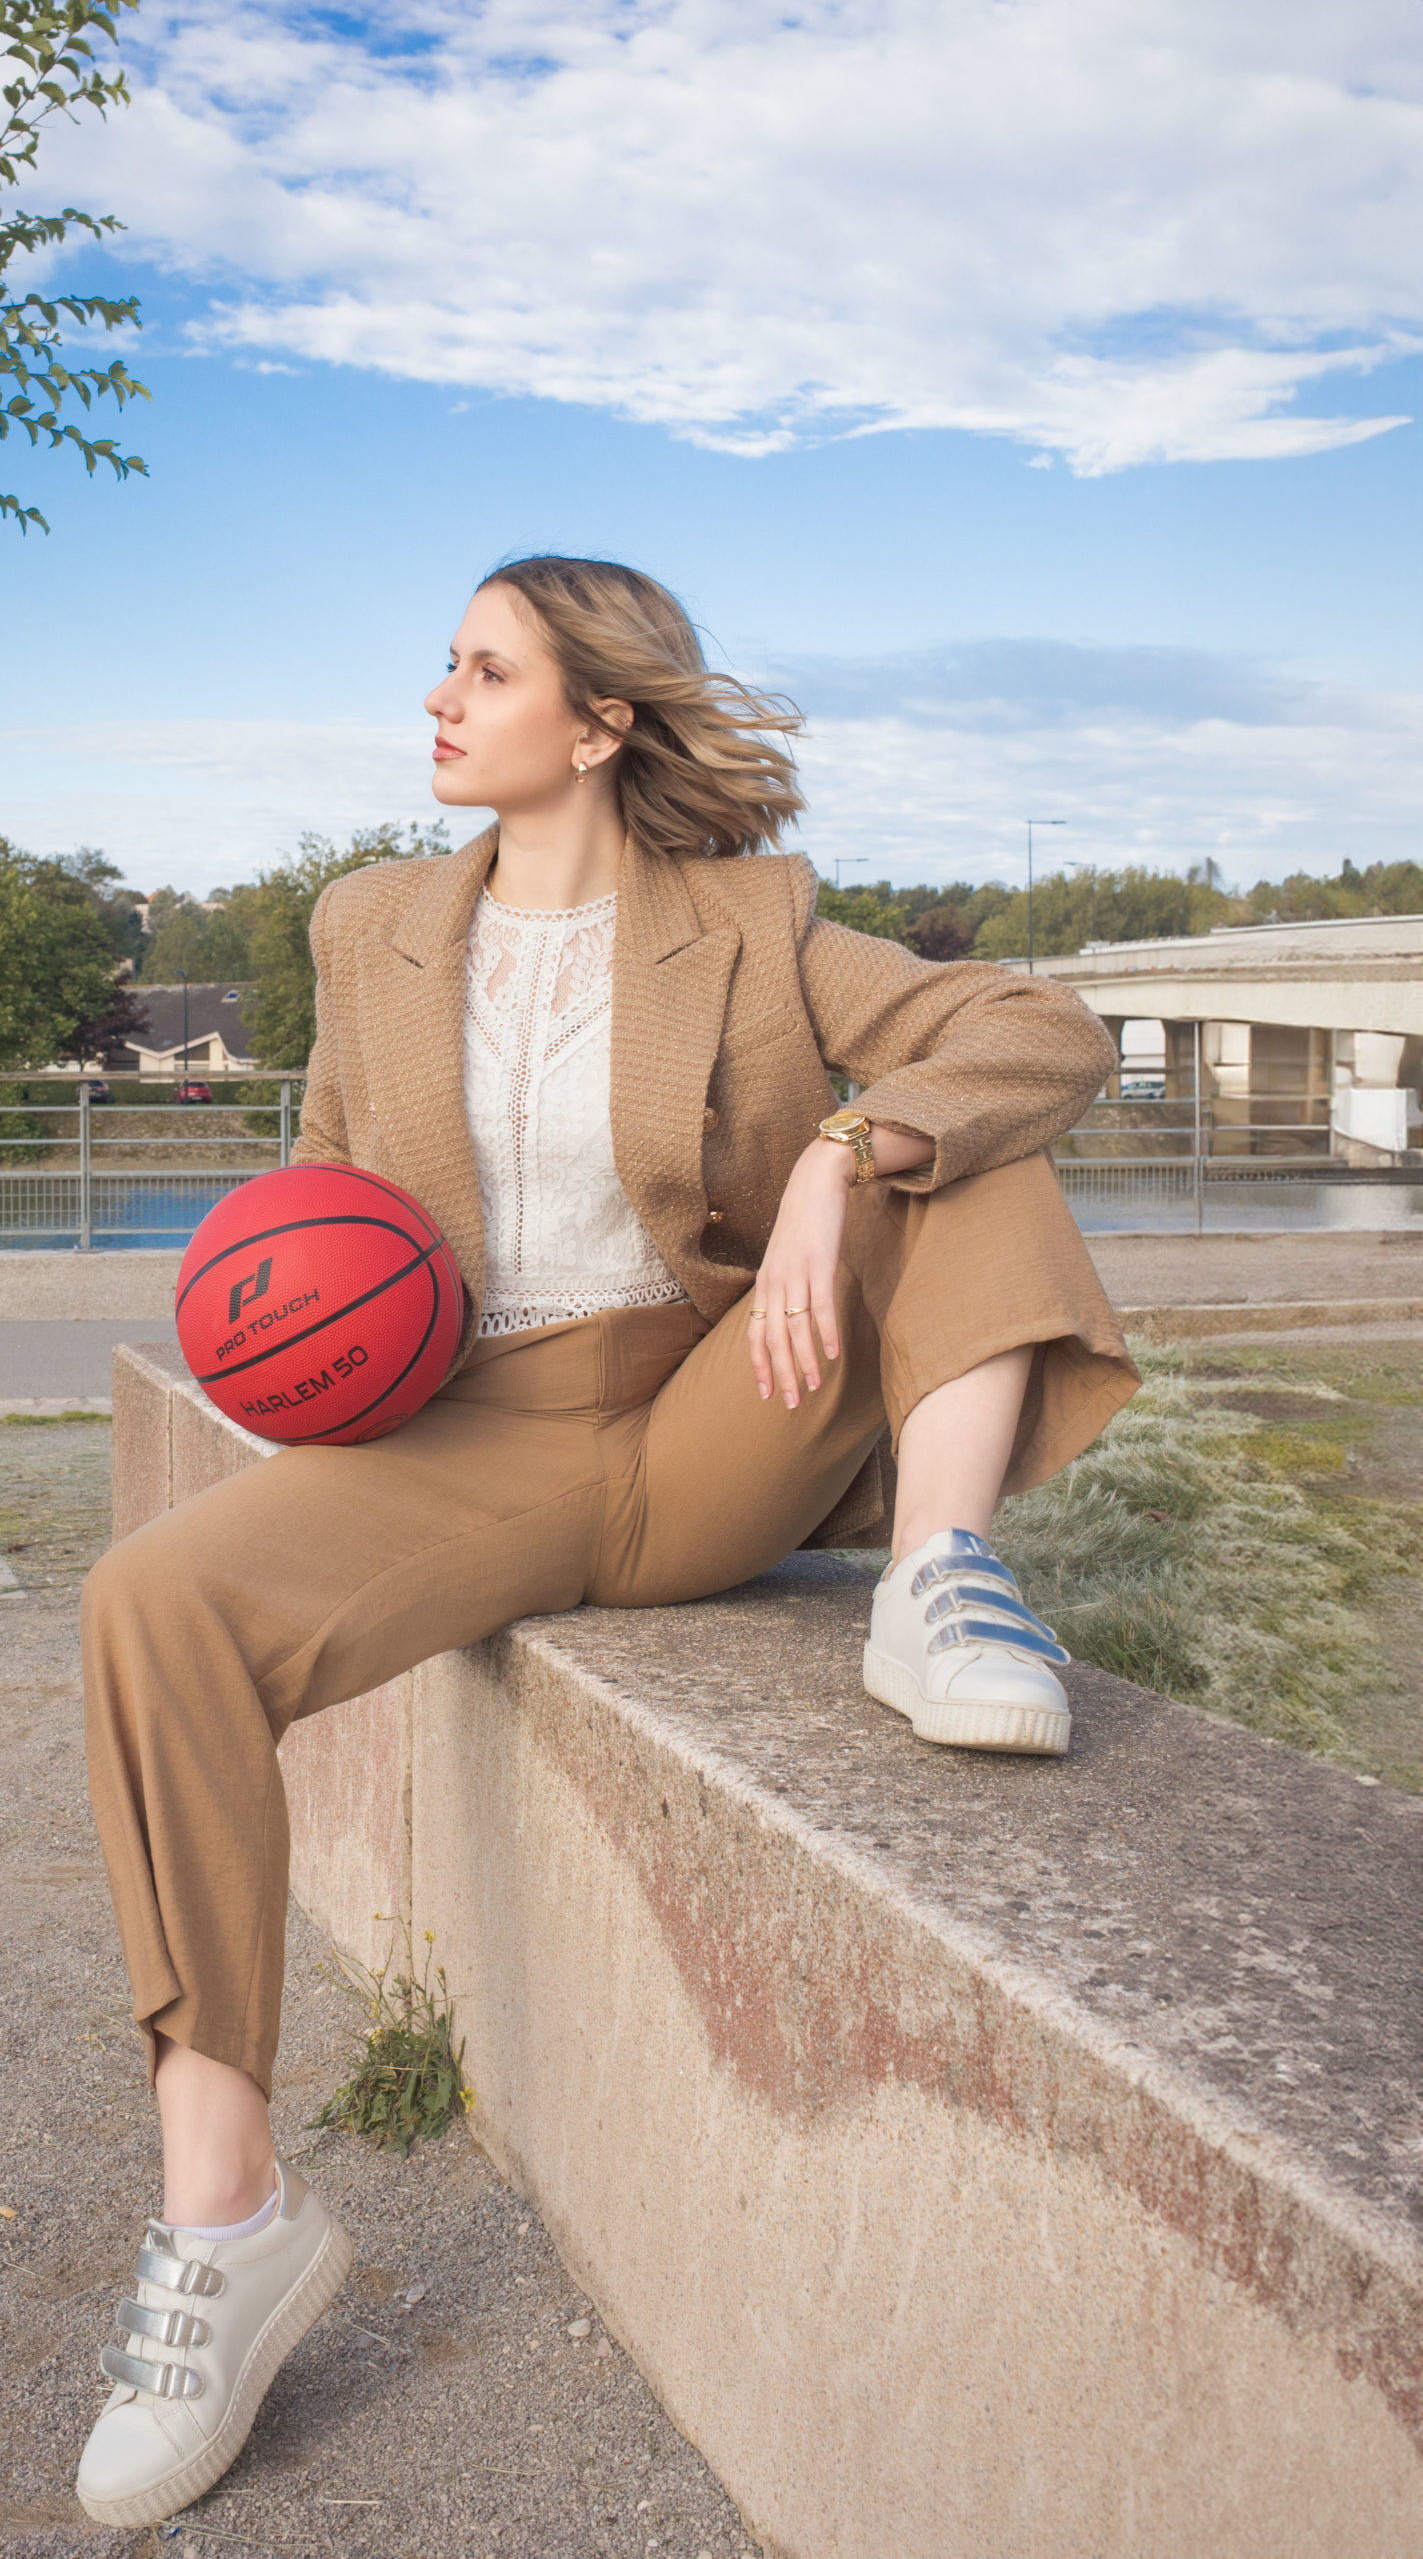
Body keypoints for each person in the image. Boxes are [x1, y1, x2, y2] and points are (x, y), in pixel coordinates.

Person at [72, 556, 1138, 2529]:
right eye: (445, 666)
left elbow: (1032, 1026)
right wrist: (266, 1314)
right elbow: (320, 1168)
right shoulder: (367, 922)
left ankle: (937, 1575)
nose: (438, 698)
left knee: (948, 1126)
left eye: (482, 669)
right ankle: (223, 2222)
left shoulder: (750, 915)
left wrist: (840, 1154)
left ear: (599, 718)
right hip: (465, 1432)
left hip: (715, 1405)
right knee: (151, 1603)